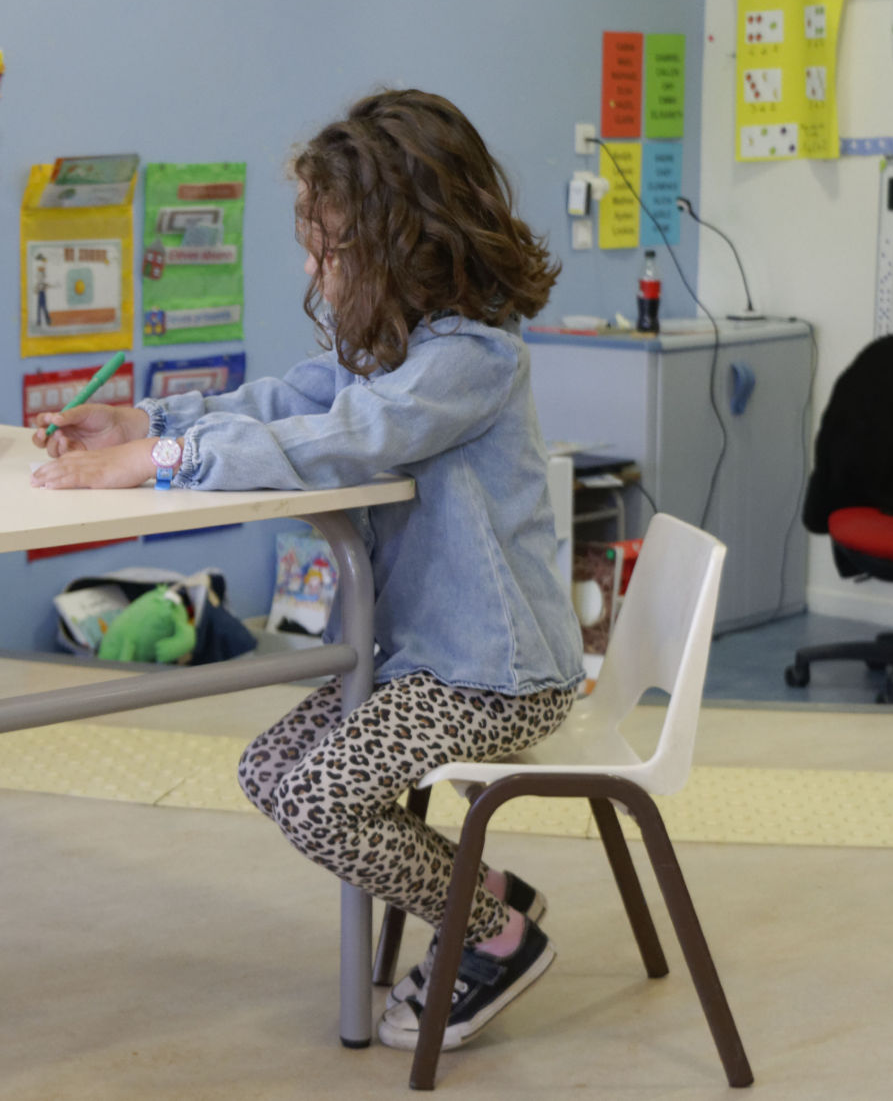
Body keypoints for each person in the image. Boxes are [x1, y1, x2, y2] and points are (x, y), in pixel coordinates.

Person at [30, 90, 585, 1052]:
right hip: (426, 664)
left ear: (405, 242)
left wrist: (164, 461)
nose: (312, 269)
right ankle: (487, 891)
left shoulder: (472, 358)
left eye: (330, 249)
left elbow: (349, 436)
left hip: (495, 677)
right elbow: (293, 397)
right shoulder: (397, 345)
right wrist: (147, 420)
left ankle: (497, 936)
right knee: (270, 769)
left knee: (321, 796)